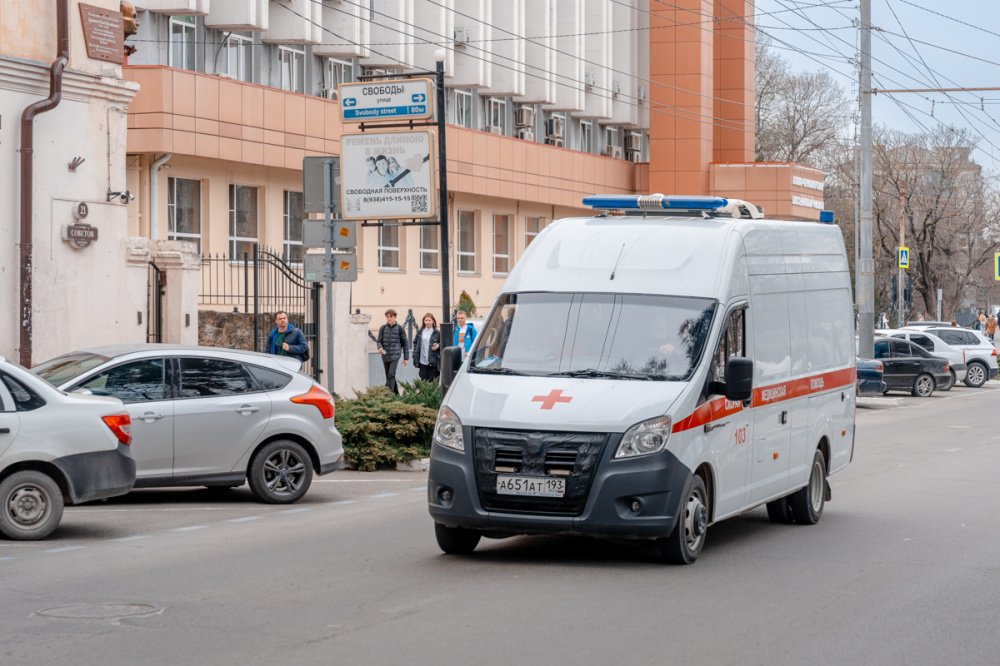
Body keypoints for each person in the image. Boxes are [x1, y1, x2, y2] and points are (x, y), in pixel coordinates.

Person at [376, 308, 409, 393]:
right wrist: (380, 348)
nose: (389, 318)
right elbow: (379, 341)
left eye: (391, 317)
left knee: (391, 374)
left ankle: (387, 394)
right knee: (389, 376)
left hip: (395, 355)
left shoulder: (400, 328)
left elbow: (405, 344)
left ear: (395, 317)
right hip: (385, 355)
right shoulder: (383, 328)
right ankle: (396, 394)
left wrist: (406, 358)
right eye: (387, 317)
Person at [412, 312, 441, 382]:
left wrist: (438, 345)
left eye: (429, 320)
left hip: (433, 360)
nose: (427, 322)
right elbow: (415, 342)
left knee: (433, 380)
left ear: (433, 321)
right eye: (426, 320)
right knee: (423, 380)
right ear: (424, 321)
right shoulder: (420, 332)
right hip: (422, 360)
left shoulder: (437, 332)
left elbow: (443, 343)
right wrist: (415, 353)